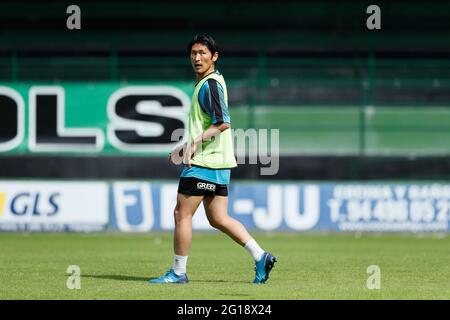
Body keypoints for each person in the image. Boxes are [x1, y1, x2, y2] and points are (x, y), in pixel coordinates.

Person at [149, 34, 276, 284]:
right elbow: (209, 124)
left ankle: (178, 272)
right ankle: (260, 256)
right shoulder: (209, 83)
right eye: (194, 53)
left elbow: (222, 122)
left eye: (203, 53)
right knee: (218, 218)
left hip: (204, 163)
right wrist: (185, 145)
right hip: (219, 162)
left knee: (181, 214)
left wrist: (195, 144)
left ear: (214, 56)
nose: (197, 58)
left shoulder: (210, 84)